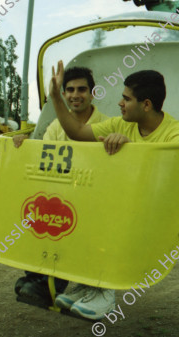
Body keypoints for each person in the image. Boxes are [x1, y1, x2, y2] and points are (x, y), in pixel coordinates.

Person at [48, 61, 179, 319]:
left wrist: (132, 151)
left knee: (106, 214)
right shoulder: (122, 124)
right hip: (128, 203)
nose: (120, 103)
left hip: (158, 210)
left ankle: (105, 291)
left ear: (146, 104)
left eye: (126, 99)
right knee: (82, 206)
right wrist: (54, 97)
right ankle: (89, 284)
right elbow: (77, 132)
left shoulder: (178, 135)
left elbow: (169, 185)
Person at [11, 66, 109, 307]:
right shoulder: (55, 128)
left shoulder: (106, 125)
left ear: (93, 92)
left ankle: (53, 285)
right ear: (63, 94)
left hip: (93, 199)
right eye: (70, 90)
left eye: (82, 89)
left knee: (75, 232)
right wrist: (23, 146)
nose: (76, 95)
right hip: (63, 195)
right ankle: (37, 278)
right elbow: (45, 164)